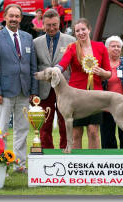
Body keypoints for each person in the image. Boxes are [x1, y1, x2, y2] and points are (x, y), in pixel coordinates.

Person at [0, 4, 38, 173]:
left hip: (24, 92)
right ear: (5, 17)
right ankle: (1, 165)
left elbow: (32, 67)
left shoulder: (28, 37)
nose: (14, 19)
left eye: (17, 16)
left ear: (21, 18)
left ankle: (19, 165)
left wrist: (33, 91)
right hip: (4, 93)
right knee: (1, 130)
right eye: (11, 16)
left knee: (22, 130)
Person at [55, 18, 111, 149]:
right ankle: (77, 165)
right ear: (75, 33)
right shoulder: (72, 48)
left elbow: (109, 73)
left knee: (93, 131)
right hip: (76, 96)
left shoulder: (100, 47)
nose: (81, 33)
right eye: (77, 31)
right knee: (76, 133)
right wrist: (55, 69)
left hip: (95, 95)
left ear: (89, 30)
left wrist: (102, 72)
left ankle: (94, 163)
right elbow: (63, 64)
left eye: (83, 29)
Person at [33, 9, 75, 149]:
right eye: (48, 25)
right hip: (44, 90)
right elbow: (34, 67)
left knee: (65, 122)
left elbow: (74, 66)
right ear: (43, 24)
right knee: (44, 124)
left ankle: (65, 150)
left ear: (60, 23)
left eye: (54, 24)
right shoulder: (35, 42)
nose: (51, 28)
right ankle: (47, 153)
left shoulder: (71, 40)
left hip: (65, 89)